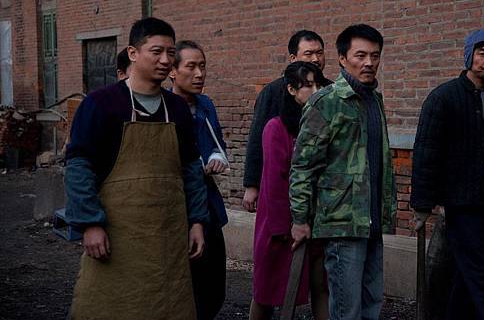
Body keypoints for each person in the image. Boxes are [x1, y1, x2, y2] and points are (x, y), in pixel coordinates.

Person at [65, 17, 208, 320]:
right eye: (156, 52)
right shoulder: (101, 104)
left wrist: (197, 220)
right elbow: (79, 166)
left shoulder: (178, 108)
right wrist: (90, 223)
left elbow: (191, 169)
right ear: (132, 53)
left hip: (169, 239)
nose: (165, 60)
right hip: (116, 237)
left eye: (171, 53)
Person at [410, 29, 484, 320]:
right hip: (461, 203)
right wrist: (422, 205)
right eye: (482, 53)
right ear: (468, 57)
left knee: (470, 277)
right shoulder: (444, 98)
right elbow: (426, 153)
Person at [289, 24, 396, 320]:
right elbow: (303, 166)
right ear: (342, 58)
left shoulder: (374, 100)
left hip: (372, 221)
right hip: (341, 224)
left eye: (375, 55)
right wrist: (300, 218)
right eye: (360, 55)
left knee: (372, 305)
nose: (369, 62)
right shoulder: (326, 103)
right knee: (346, 311)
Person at [250, 61, 329, 320]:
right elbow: (274, 182)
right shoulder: (275, 128)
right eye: (308, 86)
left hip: (317, 220)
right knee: (267, 290)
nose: (315, 91)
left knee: (321, 286)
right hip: (281, 224)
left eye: (318, 85)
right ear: (292, 89)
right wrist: (286, 226)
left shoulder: (322, 125)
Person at [170, 40, 229, 320]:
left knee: (214, 284)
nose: (199, 74)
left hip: (208, 201)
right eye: (191, 67)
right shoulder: (165, 109)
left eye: (202, 66)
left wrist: (217, 156)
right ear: (172, 71)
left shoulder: (205, 104)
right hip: (176, 205)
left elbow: (218, 143)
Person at [242, 30, 330, 213]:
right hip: (282, 182)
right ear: (293, 58)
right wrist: (252, 184)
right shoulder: (273, 91)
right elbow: (257, 139)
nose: (316, 59)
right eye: (309, 53)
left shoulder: (331, 90)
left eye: (319, 53)